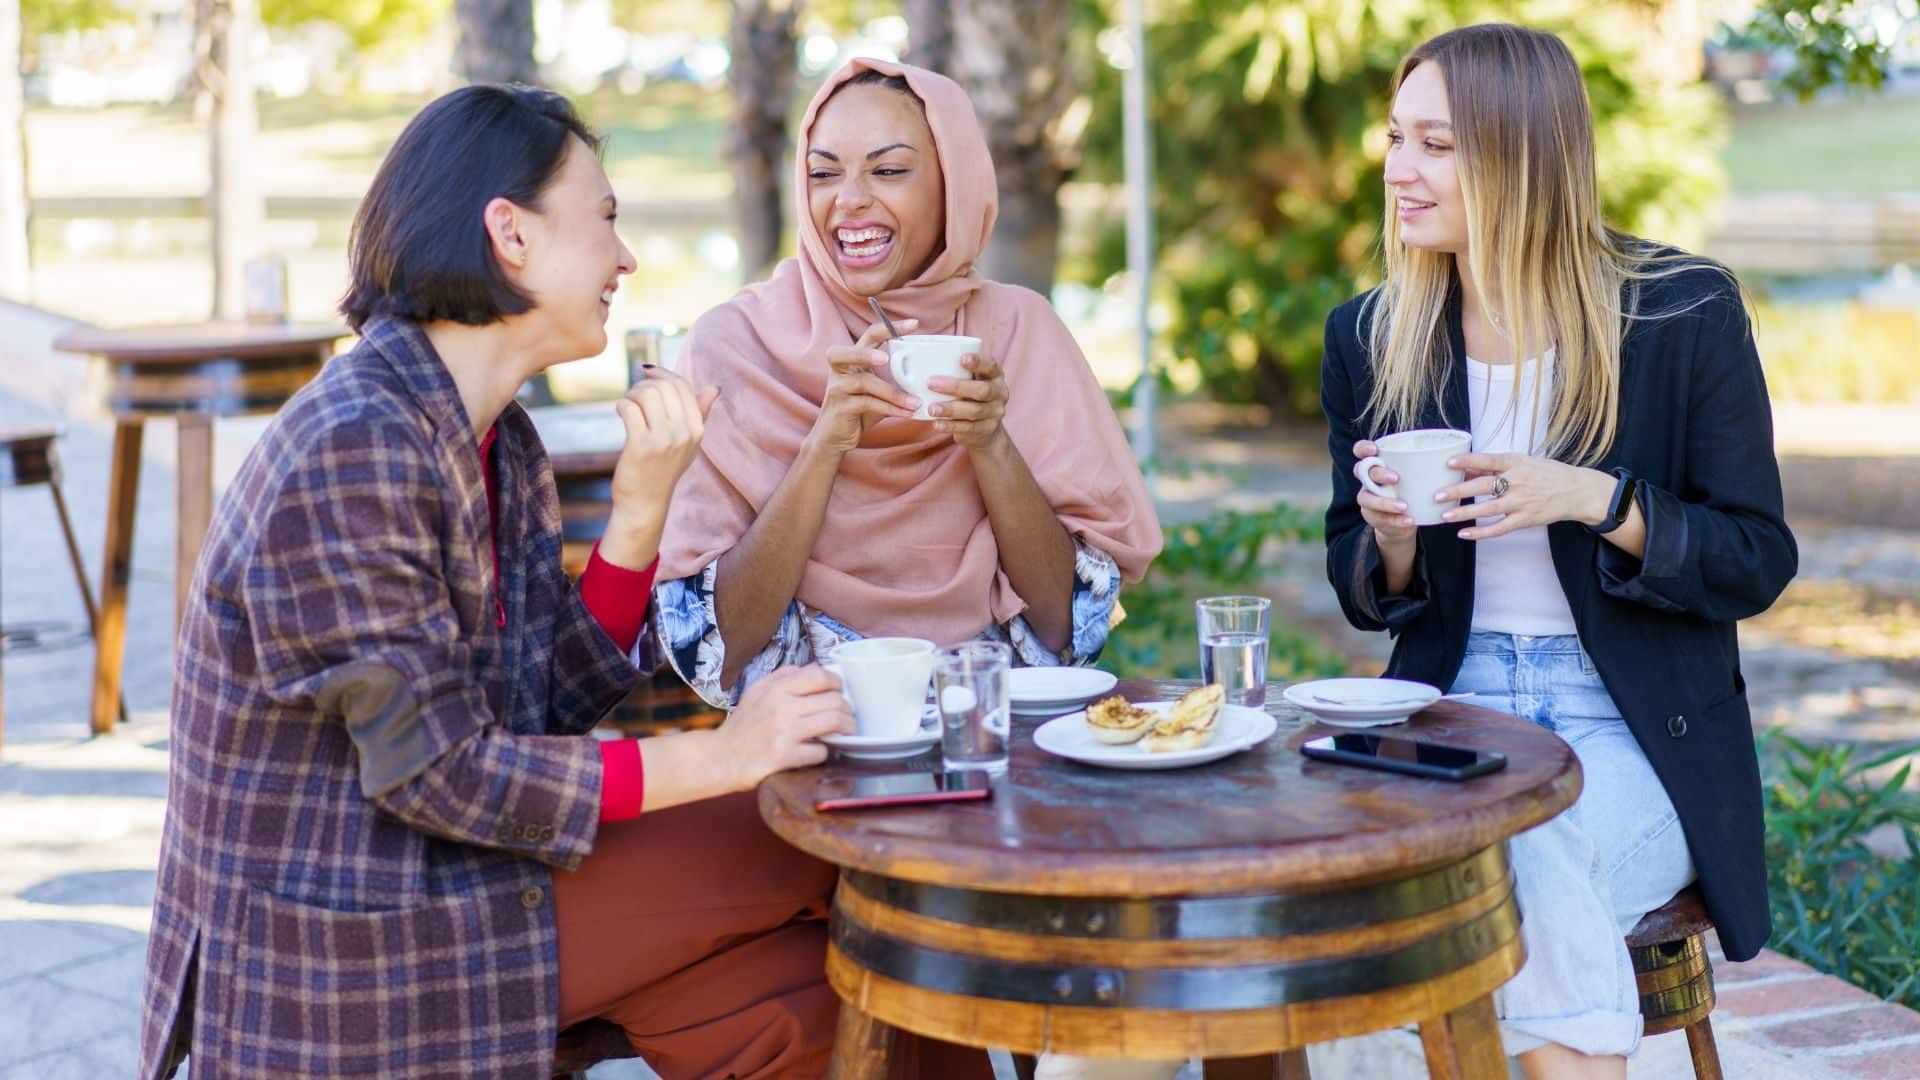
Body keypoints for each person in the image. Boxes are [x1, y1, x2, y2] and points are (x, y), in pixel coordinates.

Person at [139, 83, 984, 1079]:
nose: (627, 258)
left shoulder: (497, 436)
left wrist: (639, 516)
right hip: (352, 935)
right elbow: (440, 771)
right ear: (512, 234)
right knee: (815, 842)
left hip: (466, 865)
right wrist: (728, 756)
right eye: (607, 218)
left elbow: (544, 708)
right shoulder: (355, 446)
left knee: (801, 1004)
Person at [1320, 24, 1797, 1080]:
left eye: (1435, 143)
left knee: (1516, 849)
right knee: (1390, 852)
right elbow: (1361, 577)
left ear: (1520, 149)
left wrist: (1594, 498)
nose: (1399, 168)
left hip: (1637, 730)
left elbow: (1755, 557)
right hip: (1450, 714)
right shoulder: (1371, 334)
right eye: (1397, 137)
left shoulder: (1679, 312)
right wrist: (1393, 539)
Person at [653, 58, 1162, 704]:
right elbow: (720, 648)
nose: (851, 199)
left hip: (994, 744)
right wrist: (824, 446)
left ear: (954, 184)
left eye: (888, 170)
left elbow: (1062, 629)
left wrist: (989, 443)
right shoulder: (733, 347)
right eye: (823, 173)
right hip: (808, 751)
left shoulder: (1020, 333)